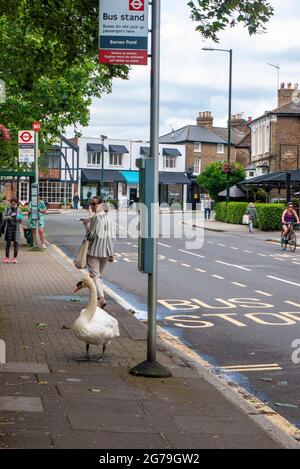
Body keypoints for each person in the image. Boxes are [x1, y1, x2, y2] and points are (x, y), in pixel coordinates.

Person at [83, 196, 115, 308]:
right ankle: (98, 298)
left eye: (94, 204)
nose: (91, 206)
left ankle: (101, 298)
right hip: (106, 251)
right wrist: (111, 252)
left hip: (95, 251)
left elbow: (90, 235)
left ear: (100, 204)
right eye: (90, 204)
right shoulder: (109, 217)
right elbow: (113, 236)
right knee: (98, 275)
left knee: (95, 275)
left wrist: (86, 225)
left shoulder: (96, 217)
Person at [2, 197, 23, 263]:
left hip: (16, 228)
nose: (13, 205)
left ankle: (14, 258)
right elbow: (3, 217)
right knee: (8, 243)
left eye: (15, 204)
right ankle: (7, 258)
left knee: (16, 243)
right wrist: (9, 217)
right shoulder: (7, 208)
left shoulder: (19, 209)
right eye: (12, 204)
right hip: (8, 228)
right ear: (10, 203)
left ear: (16, 204)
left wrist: (18, 217)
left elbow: (21, 220)